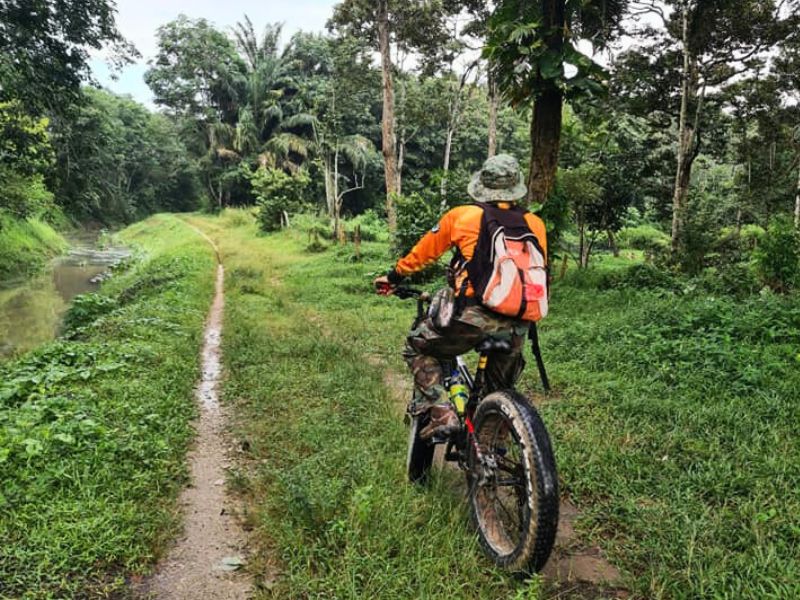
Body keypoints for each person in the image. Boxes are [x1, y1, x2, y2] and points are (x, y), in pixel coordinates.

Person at [374, 154, 548, 439]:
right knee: (498, 391)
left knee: (417, 347)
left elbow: (423, 253)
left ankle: (442, 412)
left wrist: (393, 277)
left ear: (483, 186)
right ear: (516, 187)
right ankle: (493, 445)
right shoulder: (534, 224)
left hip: (472, 319)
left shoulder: (463, 216)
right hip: (518, 325)